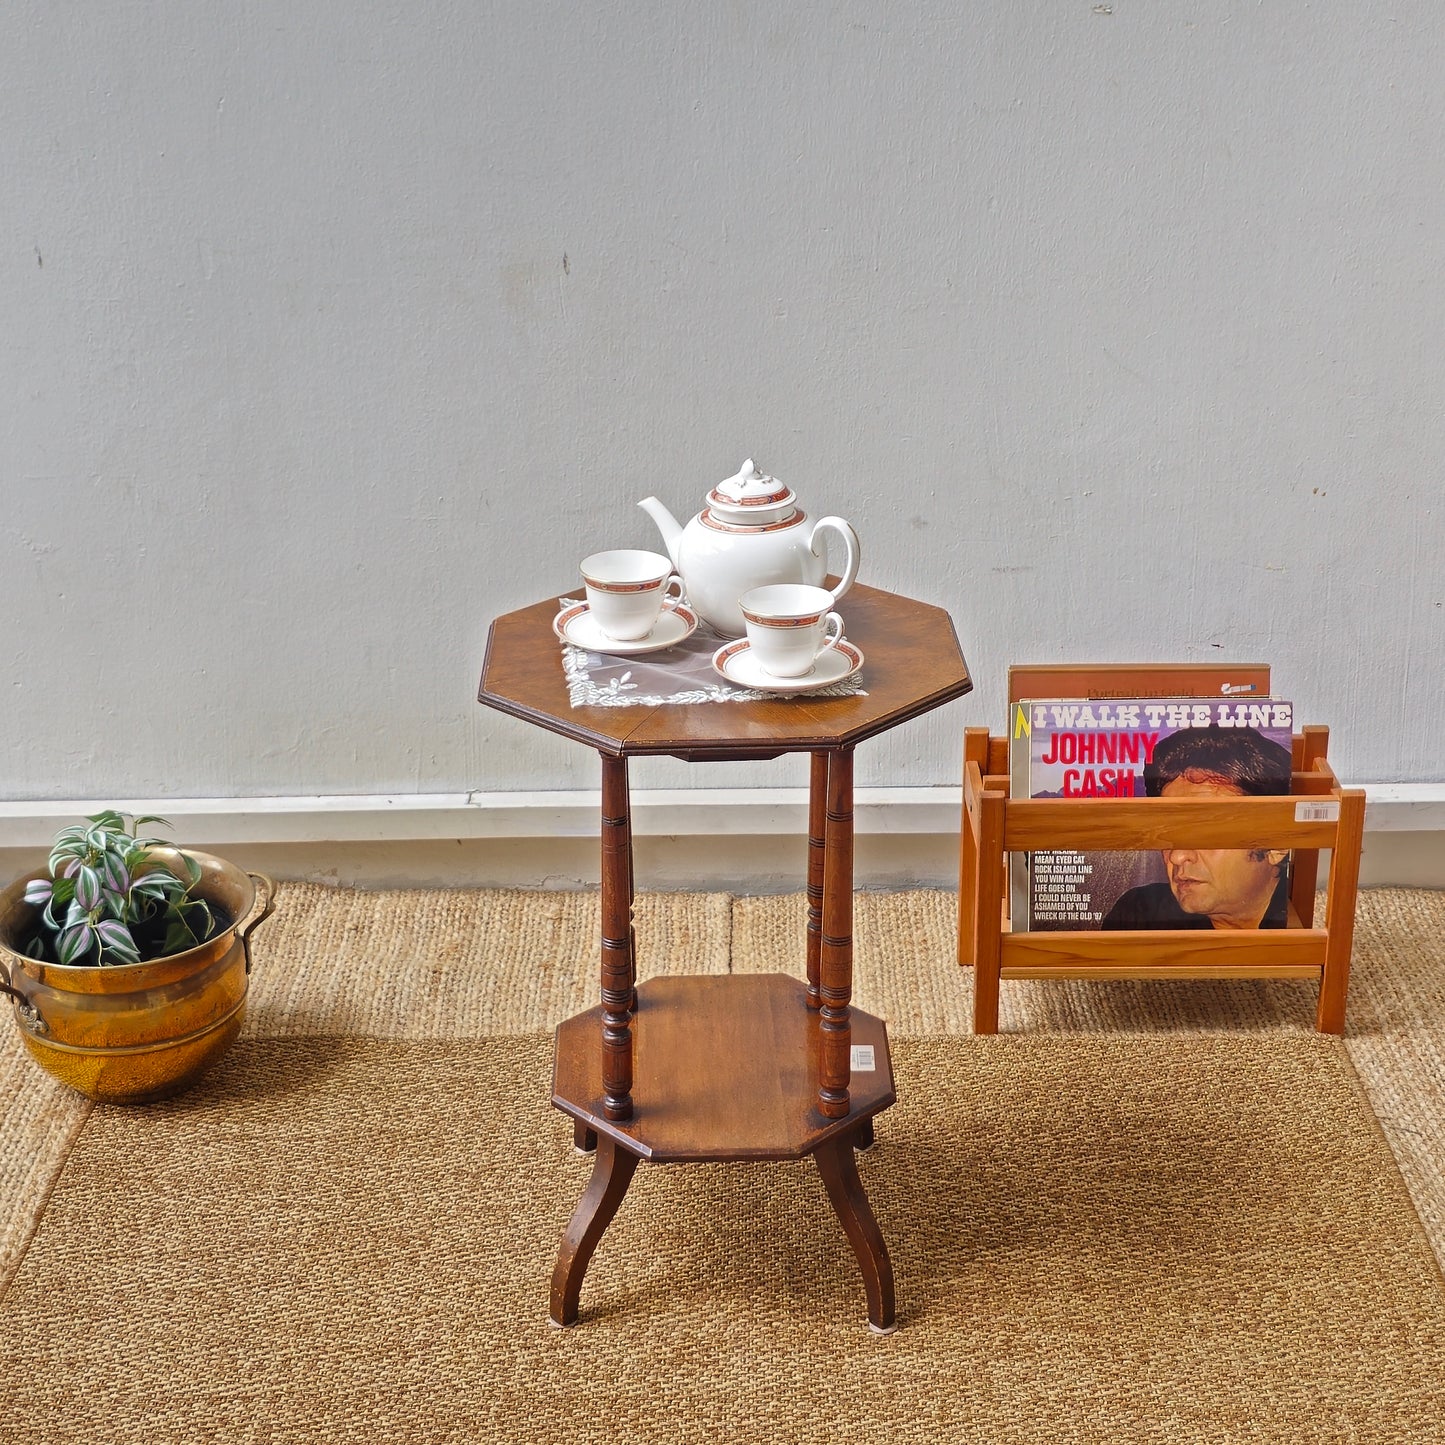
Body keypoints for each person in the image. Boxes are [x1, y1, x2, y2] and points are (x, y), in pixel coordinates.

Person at [1101, 726, 1293, 931]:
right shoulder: (1139, 917)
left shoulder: (1305, 921)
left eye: (1203, 832)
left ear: (1276, 845)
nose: (1177, 857)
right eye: (1169, 832)